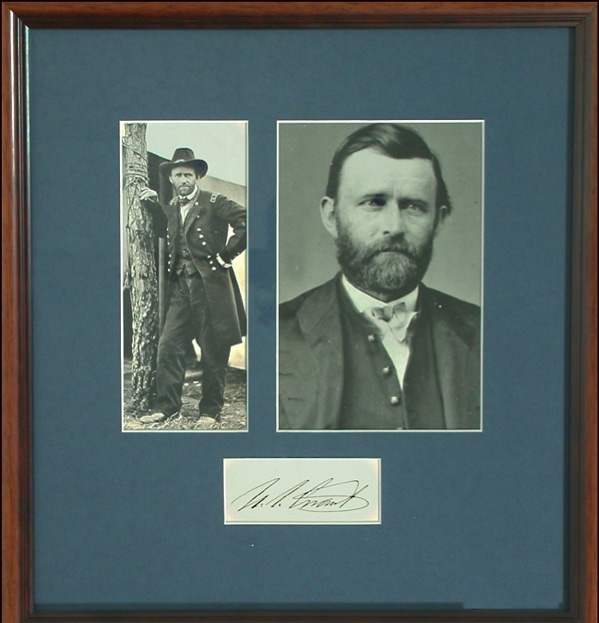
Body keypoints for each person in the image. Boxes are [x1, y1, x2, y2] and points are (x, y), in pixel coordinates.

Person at [279, 123, 480, 430]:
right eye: (374, 203)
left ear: (438, 221)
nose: (394, 227)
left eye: (413, 206)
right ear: (332, 217)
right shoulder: (276, 335)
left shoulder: (485, 334)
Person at [139, 148, 246, 427]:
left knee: (213, 351)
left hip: (210, 288)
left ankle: (210, 411)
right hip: (179, 289)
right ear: (171, 178)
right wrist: (154, 205)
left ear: (197, 176)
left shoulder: (214, 201)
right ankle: (167, 407)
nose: (183, 179)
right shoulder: (172, 207)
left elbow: (246, 221)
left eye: (188, 174)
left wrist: (226, 255)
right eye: (178, 175)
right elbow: (164, 229)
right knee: (169, 346)